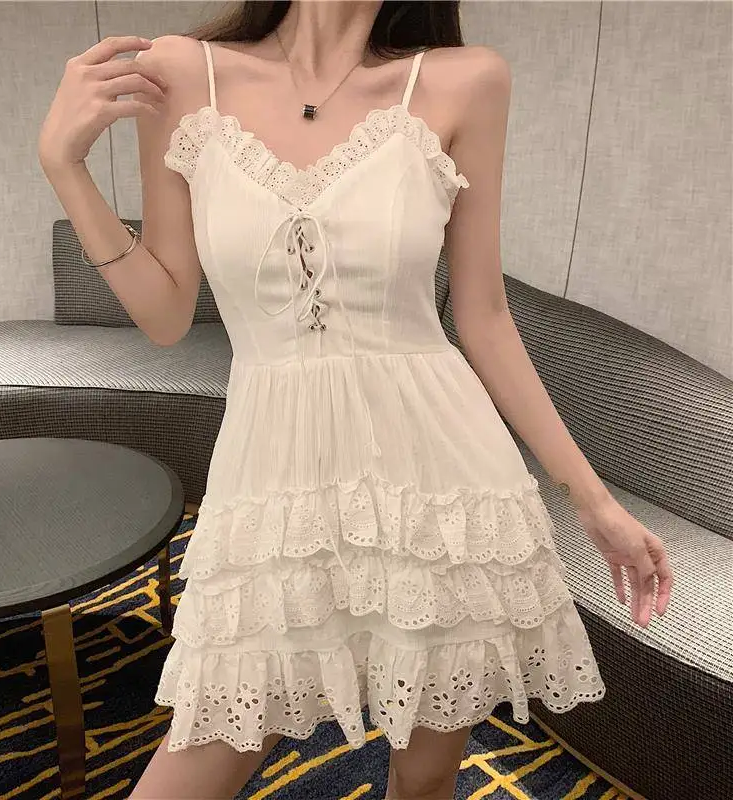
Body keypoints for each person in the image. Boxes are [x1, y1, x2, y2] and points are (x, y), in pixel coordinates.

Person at [38, 2, 674, 798]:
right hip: (273, 486)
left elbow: (482, 316)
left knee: (424, 779)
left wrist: (594, 502)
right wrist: (65, 168)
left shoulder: (466, 81)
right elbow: (166, 315)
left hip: (438, 490)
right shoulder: (181, 73)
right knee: (197, 756)